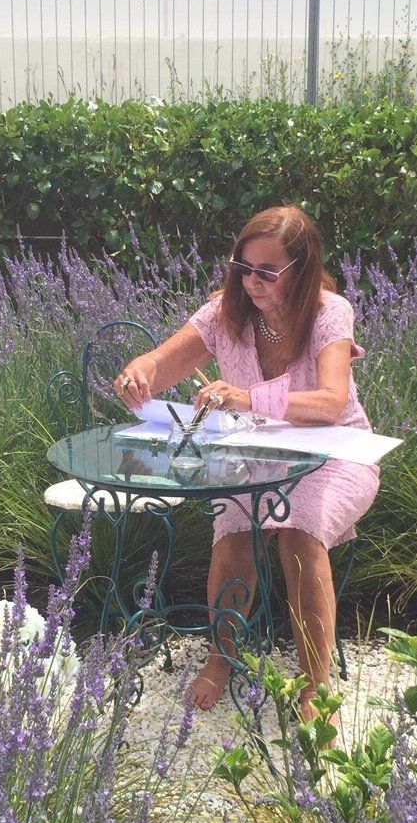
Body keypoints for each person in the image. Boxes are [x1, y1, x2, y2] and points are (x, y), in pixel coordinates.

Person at [112, 205, 379, 718]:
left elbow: (329, 400)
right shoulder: (223, 314)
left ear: (301, 270)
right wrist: (138, 373)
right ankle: (221, 657)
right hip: (257, 452)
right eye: (242, 267)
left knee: (300, 530)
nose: (251, 282)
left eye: (266, 271)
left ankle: (315, 684)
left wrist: (249, 398)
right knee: (234, 529)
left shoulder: (330, 312)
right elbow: (161, 364)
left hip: (339, 451)